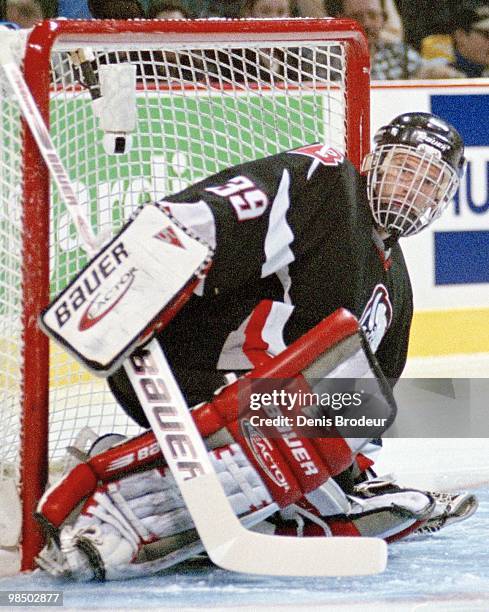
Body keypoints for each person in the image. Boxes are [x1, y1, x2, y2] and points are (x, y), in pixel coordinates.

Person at [35, 113, 478, 580]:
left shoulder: (397, 292)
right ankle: (115, 520)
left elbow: (365, 401)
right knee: (302, 463)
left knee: (332, 461)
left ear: (442, 199)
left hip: (253, 400)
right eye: (404, 170)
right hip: (178, 360)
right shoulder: (328, 183)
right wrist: (160, 243)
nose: (412, 189)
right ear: (374, 162)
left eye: (429, 182)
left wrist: (348, 470)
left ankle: (147, 470)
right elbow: (238, 202)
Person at [328, 0, 463, 79]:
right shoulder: (322, 58)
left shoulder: (399, 54)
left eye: (373, 16)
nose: (366, 24)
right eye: (357, 17)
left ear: (383, 19)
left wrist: (441, 73)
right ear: (341, 19)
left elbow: (425, 71)